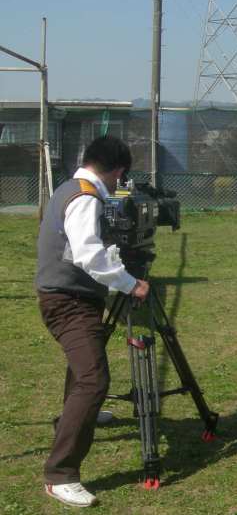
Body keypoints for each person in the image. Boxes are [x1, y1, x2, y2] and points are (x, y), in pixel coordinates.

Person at [36, 135, 150, 508]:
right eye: (122, 178)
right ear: (118, 171)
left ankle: (78, 416)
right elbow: (88, 253)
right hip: (68, 300)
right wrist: (130, 283)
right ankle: (61, 475)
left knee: (82, 366)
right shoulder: (86, 197)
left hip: (67, 295)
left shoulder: (68, 187)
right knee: (93, 378)